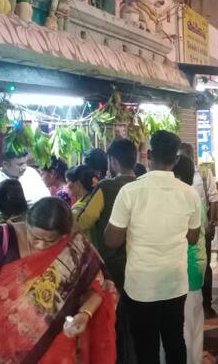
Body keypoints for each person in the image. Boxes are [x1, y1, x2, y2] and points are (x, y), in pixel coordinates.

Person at [104, 130, 201, 364]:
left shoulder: (130, 192)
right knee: (175, 340)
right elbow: (193, 238)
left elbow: (111, 240)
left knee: (146, 347)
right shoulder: (190, 194)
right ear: (176, 160)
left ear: (148, 155)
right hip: (174, 281)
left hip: (142, 284)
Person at [0, 197, 117, 363]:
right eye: (34, 236)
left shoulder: (76, 246)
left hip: (55, 343)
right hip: (4, 341)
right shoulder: (1, 238)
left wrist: (85, 313)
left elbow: (99, 286)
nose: (40, 245)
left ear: (65, 235)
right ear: (27, 222)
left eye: (50, 241)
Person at [75, 138, 137, 364]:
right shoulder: (142, 185)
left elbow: (84, 220)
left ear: (113, 161)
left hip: (111, 265)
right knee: (135, 321)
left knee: (115, 321)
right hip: (139, 264)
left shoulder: (106, 187)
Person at [179, 142, 218, 318]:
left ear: (192, 155)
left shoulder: (203, 173)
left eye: (186, 156)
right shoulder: (176, 175)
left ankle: (207, 304)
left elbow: (214, 198)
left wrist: (211, 224)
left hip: (202, 228)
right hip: (183, 230)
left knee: (205, 265)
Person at [173, 154, 207, 364]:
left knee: (184, 328)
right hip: (196, 264)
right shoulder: (195, 197)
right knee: (195, 325)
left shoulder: (181, 199)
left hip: (186, 266)